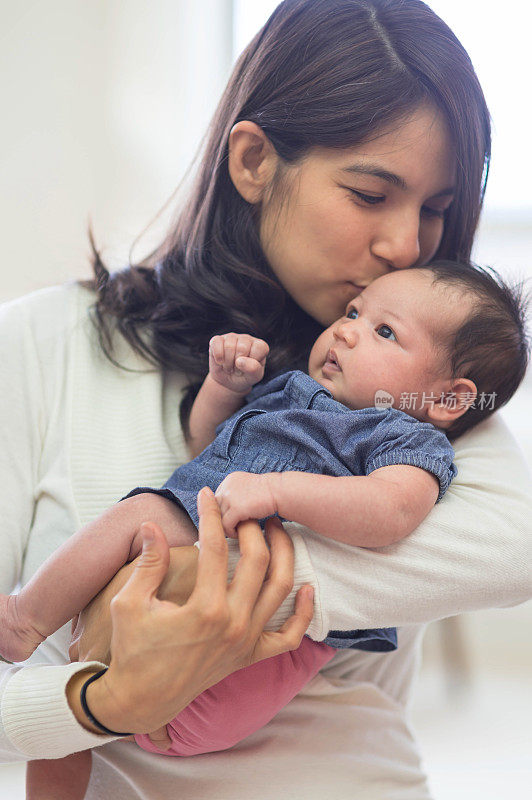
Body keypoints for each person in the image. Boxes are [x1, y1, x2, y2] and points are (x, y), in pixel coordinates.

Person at [1, 1, 530, 798]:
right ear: (252, 161)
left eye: (435, 209)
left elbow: (516, 548)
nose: (408, 245)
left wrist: (188, 584)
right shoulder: (43, 345)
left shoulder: (413, 397)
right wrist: (98, 700)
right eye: (369, 193)